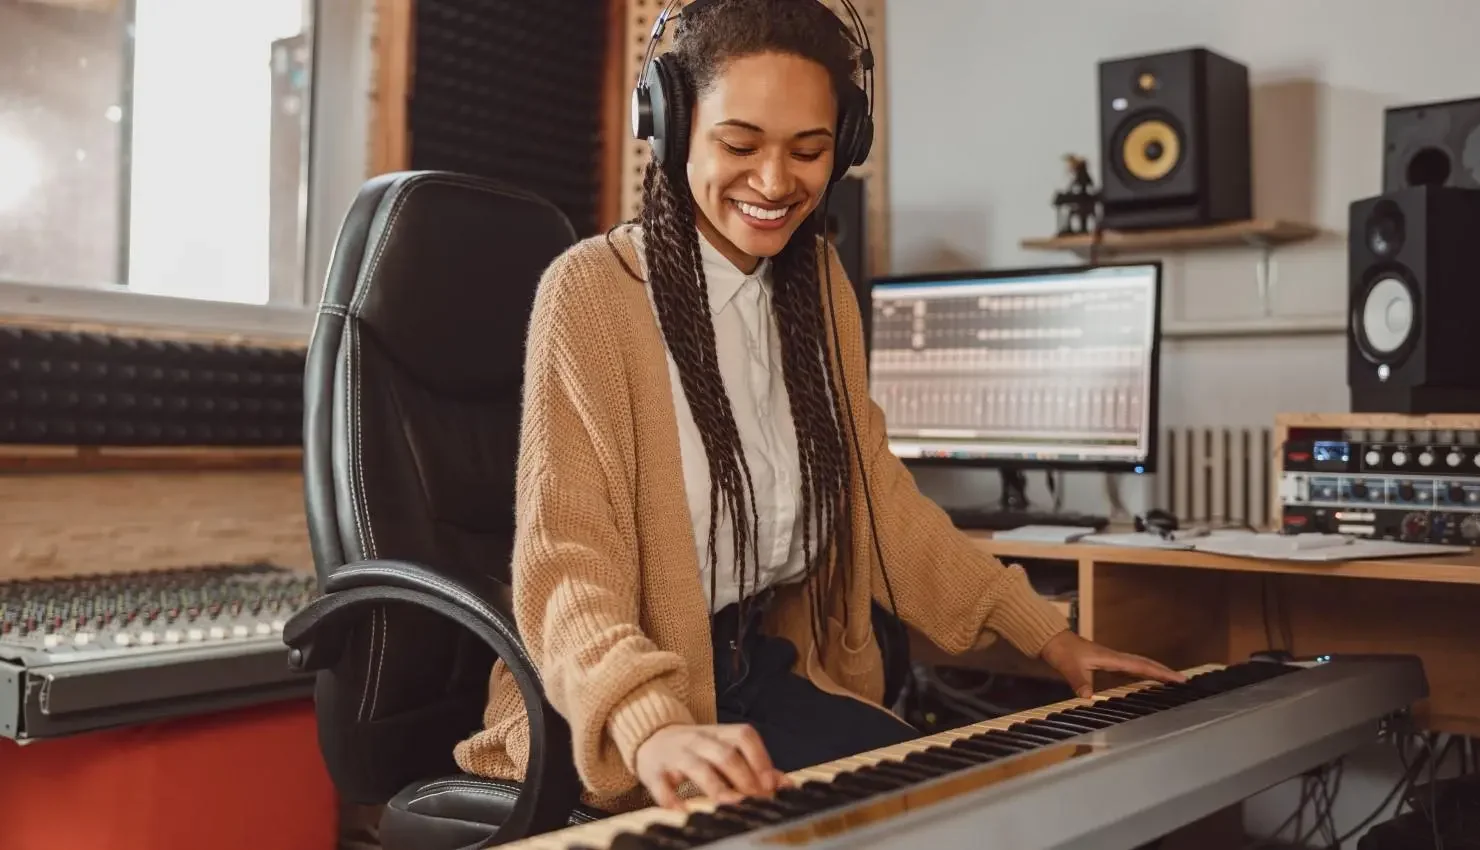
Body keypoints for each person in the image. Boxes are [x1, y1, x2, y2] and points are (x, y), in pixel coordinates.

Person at [452, 0, 1183, 814]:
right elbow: (566, 565)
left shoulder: (818, 288)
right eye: (740, 144)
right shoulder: (592, 293)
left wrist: (1048, 633)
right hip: (608, 713)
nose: (775, 182)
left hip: (754, 676)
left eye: (809, 150)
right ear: (672, 123)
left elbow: (879, 508)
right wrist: (651, 723)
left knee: (960, 810)